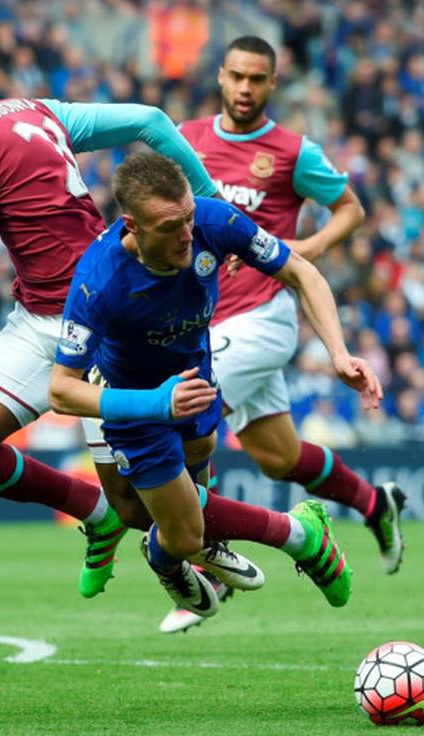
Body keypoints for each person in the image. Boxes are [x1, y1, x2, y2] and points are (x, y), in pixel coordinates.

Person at [0, 51, 222, 595]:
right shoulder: (33, 110)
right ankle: (97, 513)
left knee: (141, 507)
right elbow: (151, 122)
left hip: (94, 327)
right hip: (40, 315)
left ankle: (293, 535)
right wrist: (210, 202)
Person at [50, 151, 384, 617]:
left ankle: (167, 558)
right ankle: (302, 535)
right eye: (170, 227)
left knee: (190, 518)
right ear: (132, 226)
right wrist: (155, 404)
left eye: (188, 217)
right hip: (136, 403)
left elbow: (301, 272)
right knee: (185, 532)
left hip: (197, 382)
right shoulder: (97, 281)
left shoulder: (213, 220)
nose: (188, 235)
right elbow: (61, 390)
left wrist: (339, 352)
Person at [160, 36, 407, 632]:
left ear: (273, 84)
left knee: (188, 415)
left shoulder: (293, 152)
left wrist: (308, 247)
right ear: (221, 77)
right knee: (279, 458)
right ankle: (376, 504)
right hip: (207, 318)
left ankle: (211, 565)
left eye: (258, 79)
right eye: (237, 76)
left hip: (265, 317)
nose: (246, 88)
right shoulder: (187, 139)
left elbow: (349, 207)